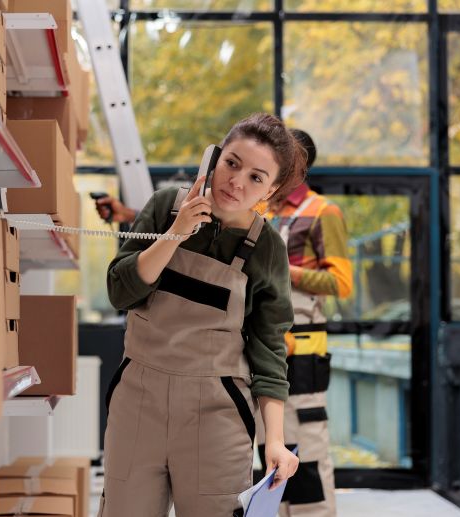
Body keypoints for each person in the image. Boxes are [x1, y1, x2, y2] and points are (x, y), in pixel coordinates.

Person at [100, 113, 304, 517]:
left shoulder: (266, 249)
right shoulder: (164, 207)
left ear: (273, 188)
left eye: (257, 177)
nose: (237, 182)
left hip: (216, 410)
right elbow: (119, 291)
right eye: (232, 163)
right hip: (139, 397)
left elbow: (268, 347)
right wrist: (175, 233)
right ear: (214, 157)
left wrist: (275, 440)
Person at [256, 129, 352, 517]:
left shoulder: (323, 212)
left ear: (299, 165)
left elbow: (341, 284)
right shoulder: (258, 210)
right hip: (263, 348)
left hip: (303, 357)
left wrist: (286, 271)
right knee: (265, 452)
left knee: (307, 455)